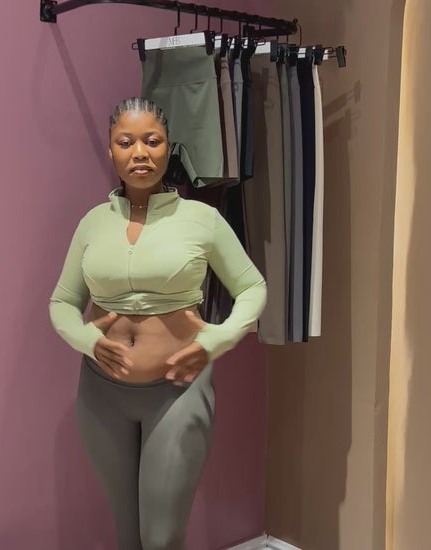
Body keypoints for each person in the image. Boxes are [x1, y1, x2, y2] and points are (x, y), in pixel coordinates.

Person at [48, 97, 267, 550]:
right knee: (128, 535)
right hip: (101, 394)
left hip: (177, 391)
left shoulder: (202, 219)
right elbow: (63, 302)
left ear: (169, 147)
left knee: (162, 537)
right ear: (111, 150)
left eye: (152, 141)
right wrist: (86, 339)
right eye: (125, 142)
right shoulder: (92, 224)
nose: (140, 153)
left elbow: (252, 287)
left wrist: (219, 338)